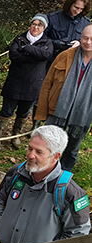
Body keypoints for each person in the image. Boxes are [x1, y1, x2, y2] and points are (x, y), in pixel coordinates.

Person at [35, 24, 92, 171]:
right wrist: (42, 112)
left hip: (82, 116)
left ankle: (62, 178)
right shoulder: (65, 56)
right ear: (81, 37)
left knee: (72, 151)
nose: (88, 42)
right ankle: (42, 172)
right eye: (85, 38)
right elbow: (47, 84)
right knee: (48, 145)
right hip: (56, 110)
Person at [0, 14, 53, 150]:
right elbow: (13, 54)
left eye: (40, 25)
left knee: (23, 113)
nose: (36, 27)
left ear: (44, 27)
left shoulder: (47, 42)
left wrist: (27, 49)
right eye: (34, 23)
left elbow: (46, 56)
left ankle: (15, 136)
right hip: (15, 82)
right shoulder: (20, 38)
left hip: (33, 84)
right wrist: (34, 56)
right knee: (6, 111)